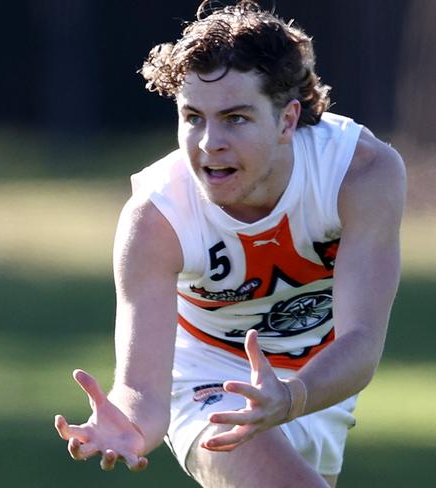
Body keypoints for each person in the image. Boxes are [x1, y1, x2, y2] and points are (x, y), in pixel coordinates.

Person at [54, 1, 405, 487]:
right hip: (206, 381)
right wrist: (130, 423)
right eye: (193, 117)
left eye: (235, 118)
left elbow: (360, 342)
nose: (208, 142)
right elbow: (143, 388)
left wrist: (291, 397)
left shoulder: (359, 172)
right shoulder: (157, 218)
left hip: (320, 379)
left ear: (287, 120)